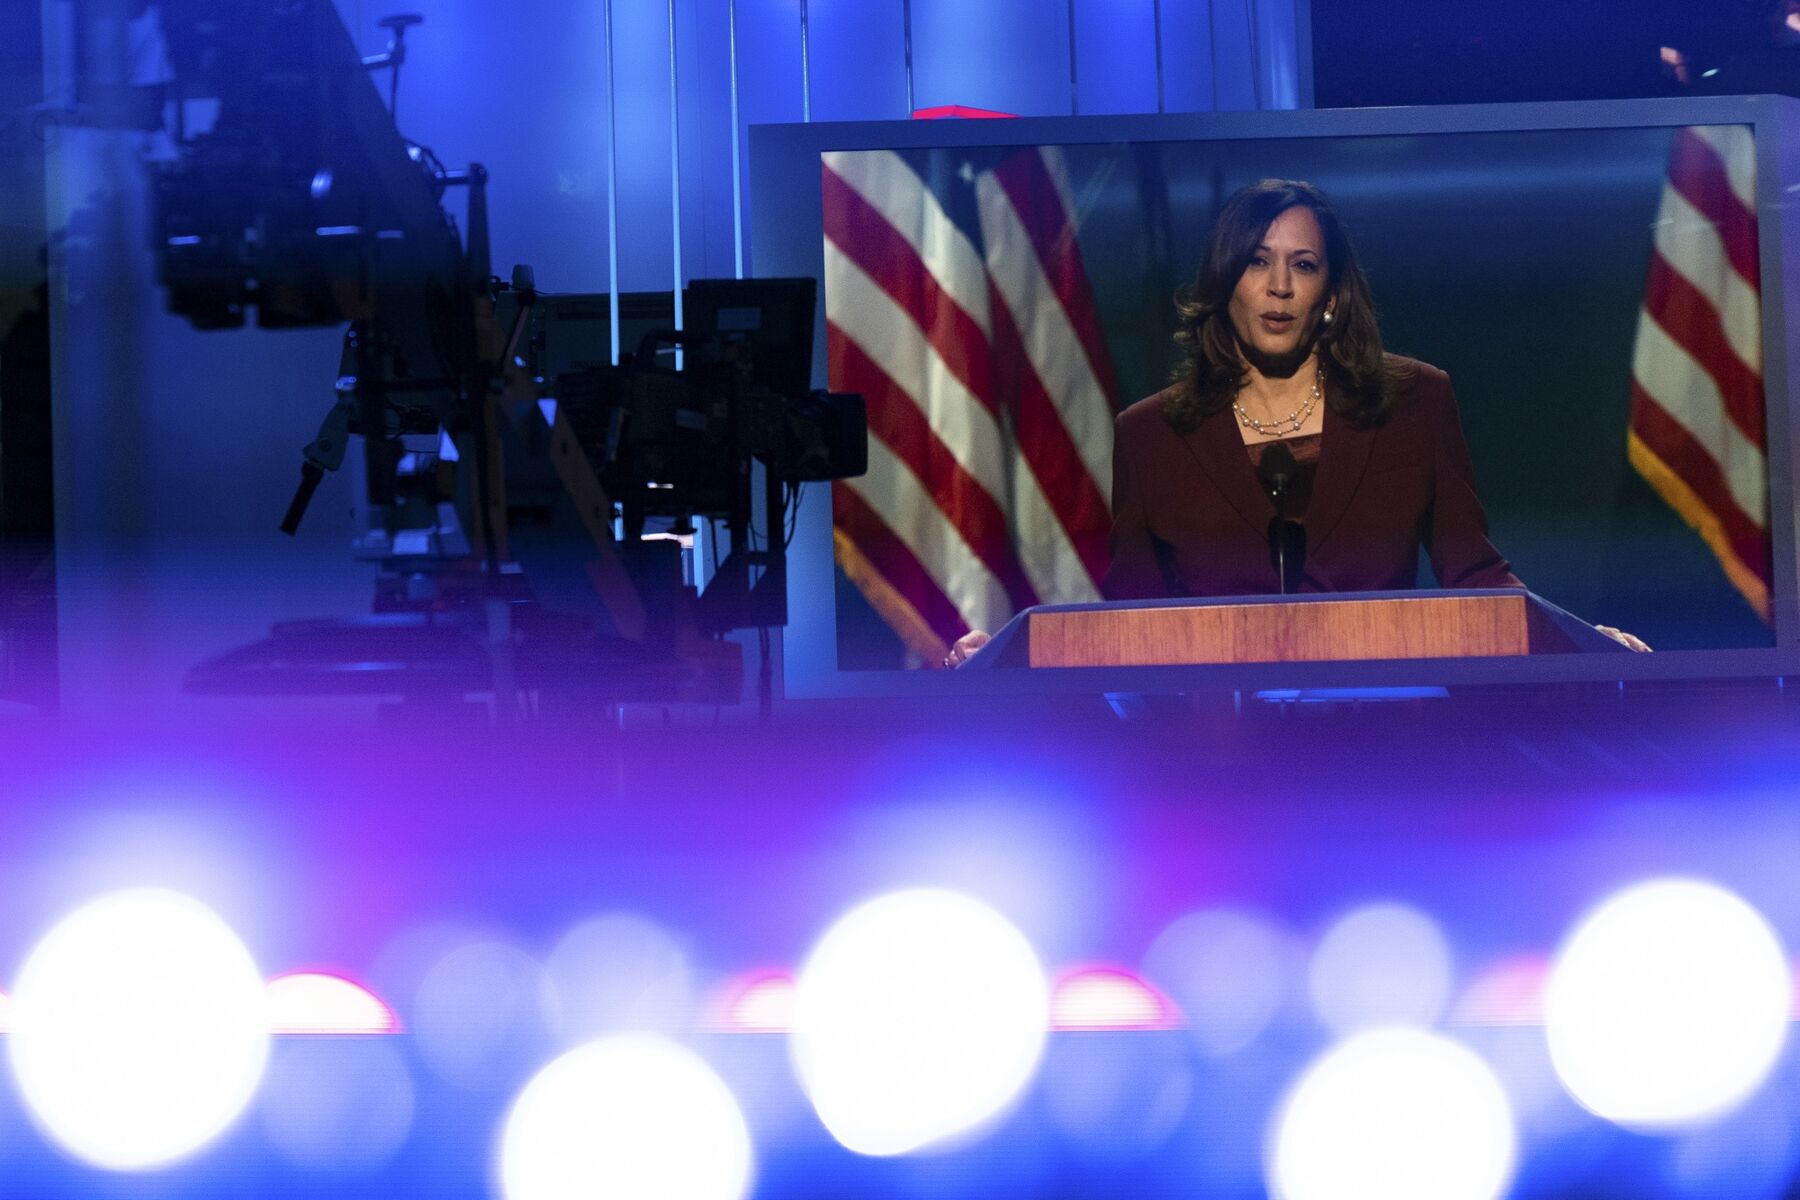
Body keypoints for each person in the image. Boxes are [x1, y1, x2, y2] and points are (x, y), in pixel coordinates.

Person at [945, 178, 1646, 665]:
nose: (1279, 287)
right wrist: (1011, 653)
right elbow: (1132, 620)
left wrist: (1580, 637)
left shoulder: (1416, 402)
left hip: (1383, 733)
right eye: (1257, 262)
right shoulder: (1151, 434)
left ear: (1331, 293)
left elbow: (1475, 572)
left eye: (1303, 266)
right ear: (1227, 283)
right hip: (1217, 755)